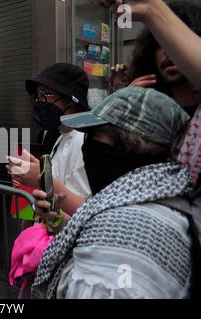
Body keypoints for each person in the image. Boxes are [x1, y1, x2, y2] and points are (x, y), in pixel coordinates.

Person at [32, 86, 196, 299]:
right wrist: (61, 221)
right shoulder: (167, 197)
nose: (87, 146)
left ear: (130, 144)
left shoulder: (123, 236)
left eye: (95, 135)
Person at [6, 63, 92, 216]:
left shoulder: (85, 141)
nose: (40, 102)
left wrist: (41, 178)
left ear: (70, 100)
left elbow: (88, 211)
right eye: (38, 96)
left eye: (46, 94)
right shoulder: (61, 138)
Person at [125, 2, 201, 118]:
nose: (167, 51)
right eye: (159, 44)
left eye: (177, 43)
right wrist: (124, 102)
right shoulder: (144, 108)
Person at [105, 0, 201, 90]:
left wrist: (151, 8)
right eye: (159, 44)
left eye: (179, 42)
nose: (168, 51)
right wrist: (124, 95)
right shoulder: (141, 99)